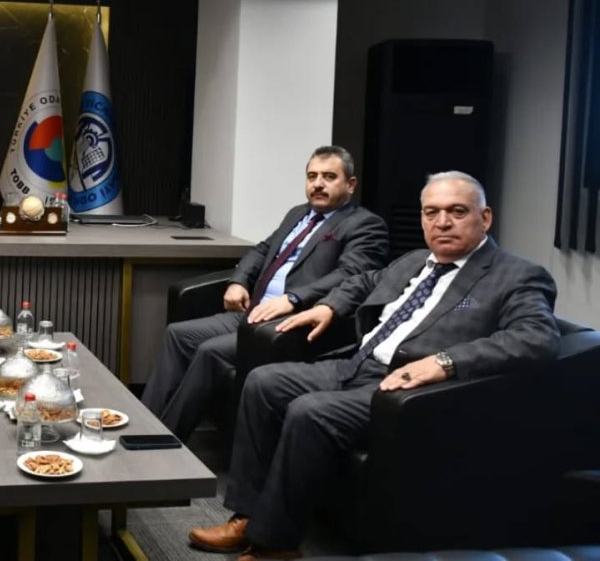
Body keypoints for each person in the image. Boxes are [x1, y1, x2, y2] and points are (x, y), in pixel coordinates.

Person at [187, 171, 560, 561]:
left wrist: (444, 362)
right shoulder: (414, 260)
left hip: (410, 391)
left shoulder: (516, 275)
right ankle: (247, 515)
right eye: (431, 212)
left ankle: (273, 544)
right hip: (357, 364)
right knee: (263, 382)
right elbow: (364, 281)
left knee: (309, 411)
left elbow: (536, 336)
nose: (442, 222)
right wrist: (328, 306)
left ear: (484, 218)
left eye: (457, 211)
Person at [141, 146, 389, 439]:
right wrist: (238, 281)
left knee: (210, 352)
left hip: (289, 322)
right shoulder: (298, 213)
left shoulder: (365, 224)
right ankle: (145, 423)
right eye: (312, 176)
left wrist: (294, 298)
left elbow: (351, 275)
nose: (318, 184)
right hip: (253, 311)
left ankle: (161, 441)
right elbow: (262, 250)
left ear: (350, 184)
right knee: (177, 334)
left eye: (329, 177)